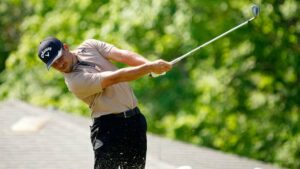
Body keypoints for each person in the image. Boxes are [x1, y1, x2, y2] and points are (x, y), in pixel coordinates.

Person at [37, 37, 172, 169]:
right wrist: (149, 68)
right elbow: (116, 78)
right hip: (108, 128)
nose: (60, 65)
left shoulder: (89, 45)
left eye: (59, 58)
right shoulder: (74, 82)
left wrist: (150, 65)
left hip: (135, 122)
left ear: (66, 47)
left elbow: (122, 55)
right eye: (54, 64)